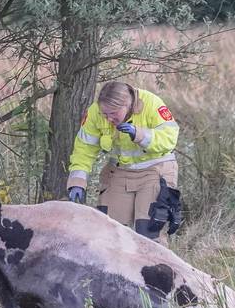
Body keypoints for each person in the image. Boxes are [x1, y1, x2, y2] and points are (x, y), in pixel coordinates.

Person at [66, 81, 183, 246]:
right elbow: (83, 149)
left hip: (155, 171)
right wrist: (77, 182)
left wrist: (140, 134)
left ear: (127, 105)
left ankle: (157, 270)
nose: (108, 118)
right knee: (109, 233)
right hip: (119, 171)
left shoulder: (151, 104)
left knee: (149, 234)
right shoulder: (95, 112)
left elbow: (170, 138)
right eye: (105, 114)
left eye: (113, 113)